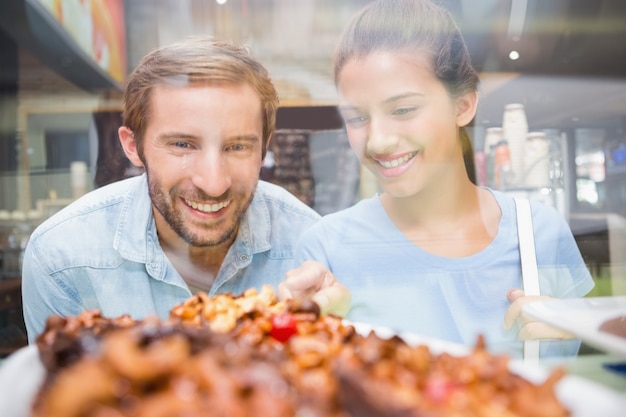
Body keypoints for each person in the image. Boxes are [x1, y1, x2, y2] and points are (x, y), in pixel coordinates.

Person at [287, 0, 594, 356]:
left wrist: (565, 338)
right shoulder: (325, 252)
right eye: (356, 118)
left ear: (462, 105)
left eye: (403, 110)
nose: (378, 140)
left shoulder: (540, 234)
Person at [21, 36, 348, 343]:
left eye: (237, 147)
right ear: (133, 146)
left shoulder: (313, 248)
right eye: (182, 145)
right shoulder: (62, 258)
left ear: (264, 149)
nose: (214, 183)